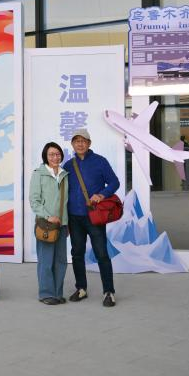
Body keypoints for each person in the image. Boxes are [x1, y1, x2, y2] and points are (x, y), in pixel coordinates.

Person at [64, 128, 120, 307]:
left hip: (94, 216)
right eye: (76, 141)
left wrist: (102, 194)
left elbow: (114, 182)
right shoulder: (68, 165)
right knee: (77, 253)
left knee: (101, 254)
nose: (80, 144)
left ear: (89, 143)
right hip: (74, 217)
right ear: (72, 144)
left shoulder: (100, 161)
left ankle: (109, 292)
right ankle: (81, 288)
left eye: (83, 141)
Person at [29, 142, 68, 305]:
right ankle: (46, 294)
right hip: (46, 225)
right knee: (46, 260)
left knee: (61, 261)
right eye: (51, 154)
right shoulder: (38, 174)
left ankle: (57, 293)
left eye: (58, 154)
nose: (55, 157)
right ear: (45, 156)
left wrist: (67, 223)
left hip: (62, 225)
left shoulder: (65, 174)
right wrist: (47, 216)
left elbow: (66, 202)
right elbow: (34, 200)